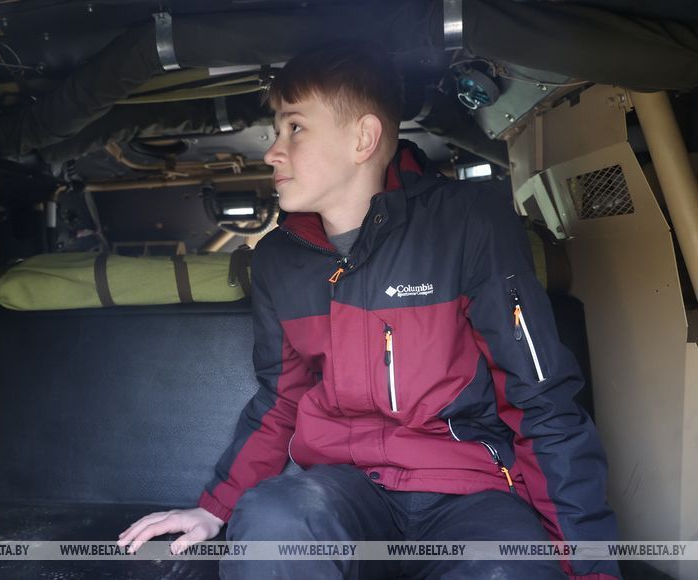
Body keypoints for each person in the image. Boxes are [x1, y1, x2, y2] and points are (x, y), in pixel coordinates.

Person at [118, 41, 620, 579]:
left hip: (468, 493)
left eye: (295, 128)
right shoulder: (278, 259)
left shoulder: (468, 224)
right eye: (276, 131)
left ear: (363, 138)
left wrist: (587, 568)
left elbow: (541, 399)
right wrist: (214, 508)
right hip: (344, 490)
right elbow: (281, 401)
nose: (272, 152)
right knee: (274, 520)